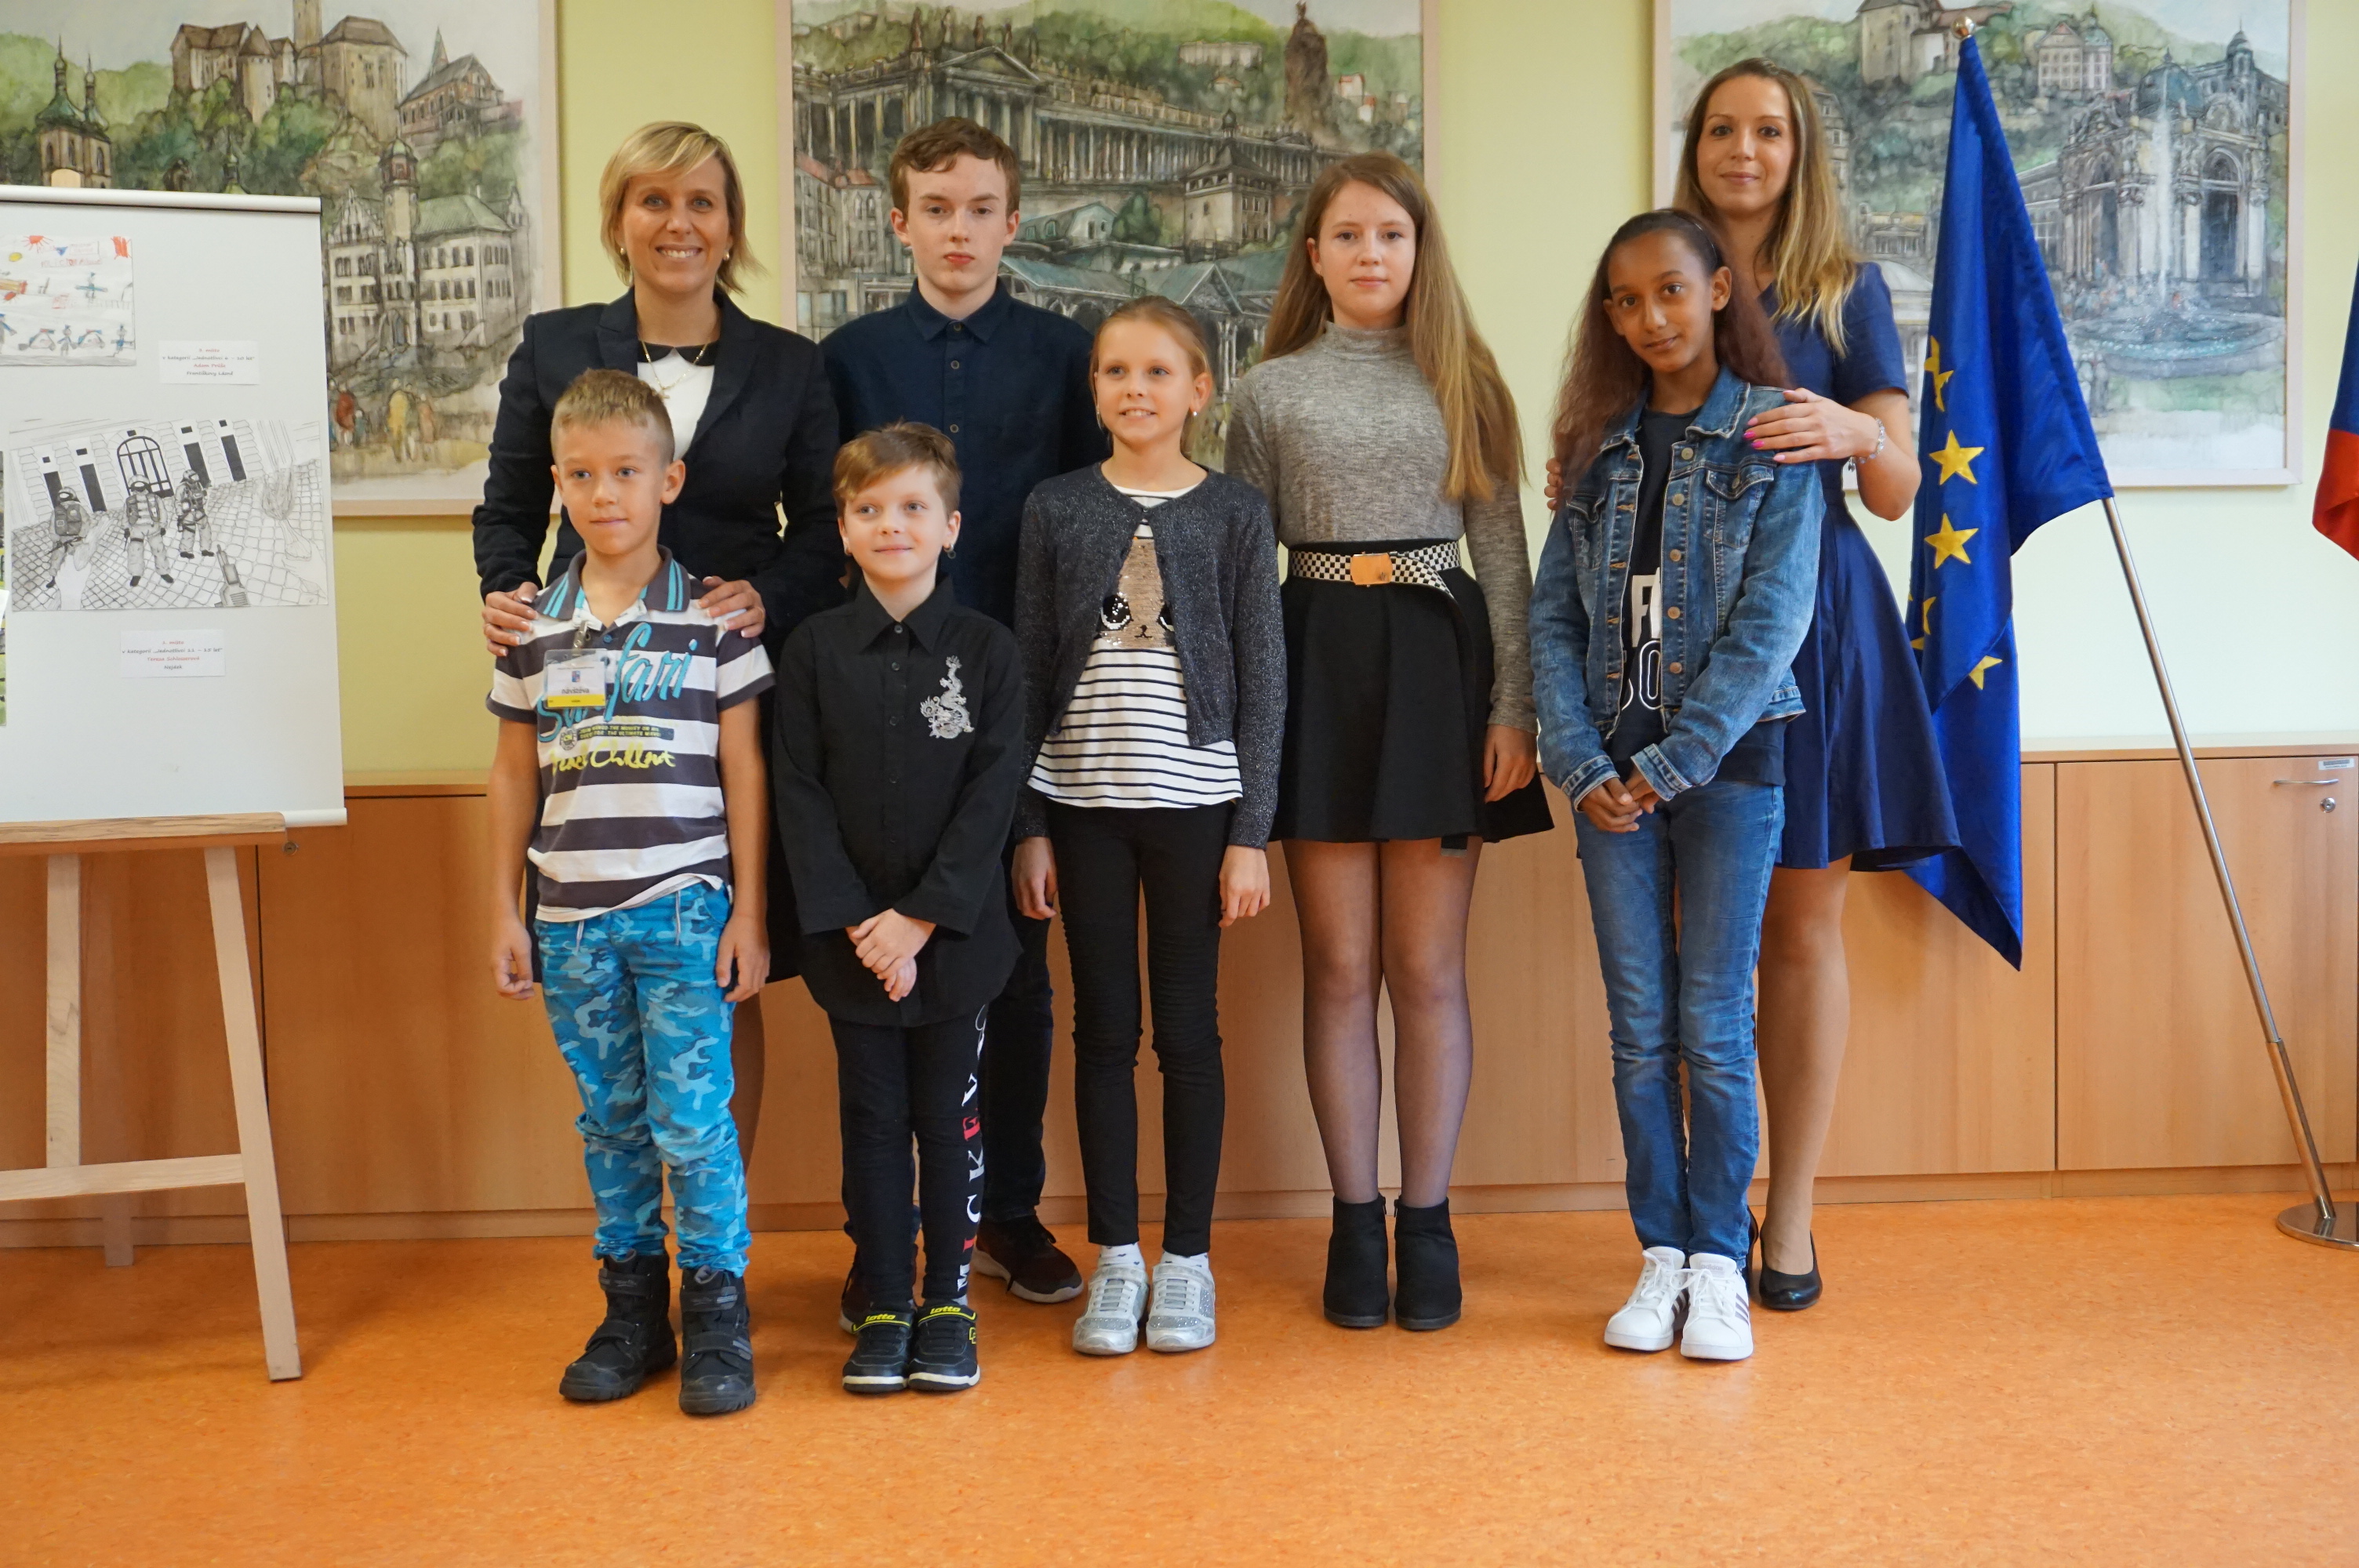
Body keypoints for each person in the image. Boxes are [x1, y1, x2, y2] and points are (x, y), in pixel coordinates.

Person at [473, 122, 844, 1165]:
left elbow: (826, 529)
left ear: (730, 227)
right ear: (619, 221)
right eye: (653, 200)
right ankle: (637, 1228)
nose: (678, 223)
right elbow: (507, 506)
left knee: (724, 962)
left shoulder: (792, 365)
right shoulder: (552, 346)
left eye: (701, 202)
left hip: (729, 691)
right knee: (598, 967)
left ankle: (719, 1226)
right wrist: (505, 592)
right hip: (584, 682)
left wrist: (768, 595)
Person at [1226, 151, 1550, 1334]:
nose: (1371, 253)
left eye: (1391, 235)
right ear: (1313, 256)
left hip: (1433, 667)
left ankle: (1428, 1219)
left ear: (1420, 251)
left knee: (1426, 971)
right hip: (1312, 659)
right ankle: (1353, 1221)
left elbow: (1503, 556)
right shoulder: (1266, 395)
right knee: (1339, 970)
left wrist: (1513, 706)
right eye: (1348, 235)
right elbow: (1239, 569)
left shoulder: (1468, 381)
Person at [820, 117, 1107, 1316]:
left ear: (1012, 222)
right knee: (876, 982)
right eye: (935, 209)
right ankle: (879, 1237)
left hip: (1019, 702)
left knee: (1015, 973)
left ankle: (1010, 1215)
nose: (958, 230)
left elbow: (1095, 522)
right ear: (900, 221)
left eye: (980, 209)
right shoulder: (848, 358)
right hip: (878, 708)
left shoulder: (1066, 355)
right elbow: (824, 529)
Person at [1532, 210, 1823, 1363]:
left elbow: (1773, 621)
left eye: (1669, 289)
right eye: (1626, 299)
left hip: (1727, 773)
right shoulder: (1594, 448)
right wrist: (1582, 762)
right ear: (1610, 317)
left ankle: (1718, 1262)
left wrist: (1669, 762)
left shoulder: (1772, 434)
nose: (1650, 315)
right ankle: (1659, 1252)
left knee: (1714, 1024)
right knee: (1639, 1029)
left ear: (1716, 292)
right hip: (1607, 782)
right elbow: (1553, 618)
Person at [484, 368, 771, 1416]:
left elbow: (743, 768)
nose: (604, 494)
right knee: (610, 1122)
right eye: (581, 476)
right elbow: (513, 772)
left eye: (625, 473)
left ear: (668, 481)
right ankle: (632, 1309)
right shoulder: (529, 627)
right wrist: (504, 908)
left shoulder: (716, 619)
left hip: (685, 908)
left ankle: (717, 1310)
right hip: (569, 920)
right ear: (558, 486)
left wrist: (751, 912)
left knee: (693, 1121)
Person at [1010, 298, 1285, 1357]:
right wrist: (1029, 825)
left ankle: (1187, 1261)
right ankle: (1117, 1255)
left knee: (1187, 1034)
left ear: (1199, 390)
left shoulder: (1235, 513)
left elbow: (1264, 678)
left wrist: (1250, 833)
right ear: (1093, 390)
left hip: (1196, 812)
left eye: (1158, 371)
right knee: (1101, 1032)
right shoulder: (1055, 507)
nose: (1135, 389)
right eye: (1115, 371)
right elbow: (1028, 667)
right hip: (1081, 809)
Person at [772, 423, 1026, 1396]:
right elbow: (798, 792)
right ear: (840, 527)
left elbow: (992, 794)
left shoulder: (987, 650)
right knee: (872, 1122)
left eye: (913, 507)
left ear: (950, 527)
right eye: (869, 508)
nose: (891, 524)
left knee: (946, 1120)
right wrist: (861, 923)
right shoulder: (812, 651)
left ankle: (949, 1305)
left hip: (954, 942)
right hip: (850, 944)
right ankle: (885, 1300)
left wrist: (918, 919)